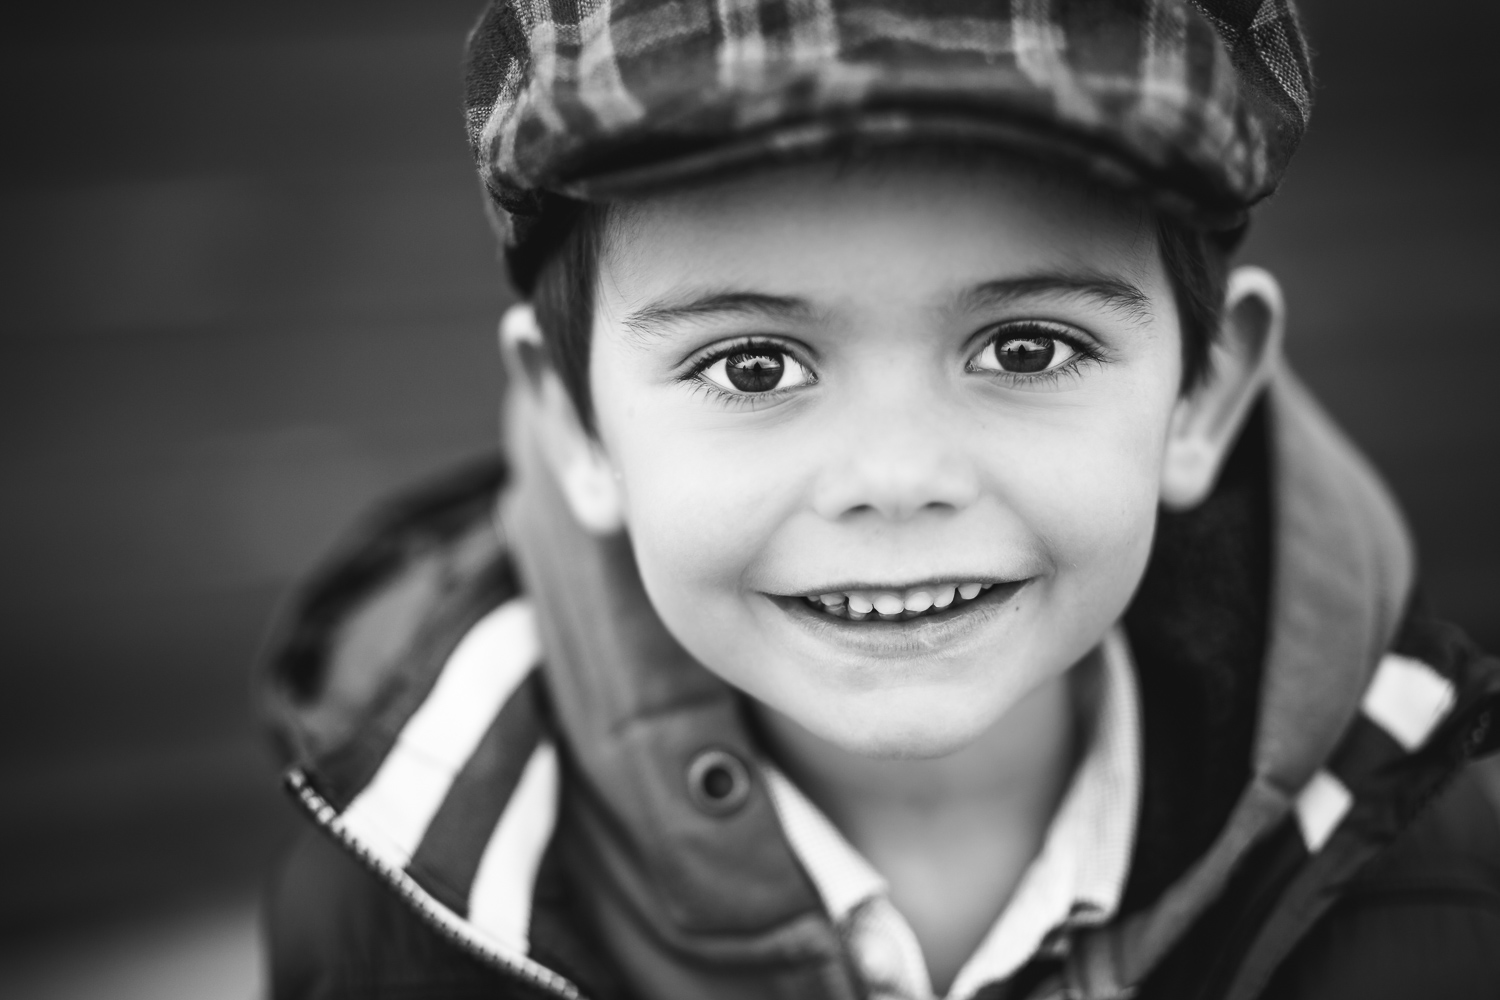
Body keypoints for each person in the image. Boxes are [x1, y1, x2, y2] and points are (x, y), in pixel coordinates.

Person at [261, 2, 1500, 998]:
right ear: (574, 418)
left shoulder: (1432, 869)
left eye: (1025, 349)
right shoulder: (403, 911)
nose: (899, 478)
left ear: (1203, 392)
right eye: (754, 366)